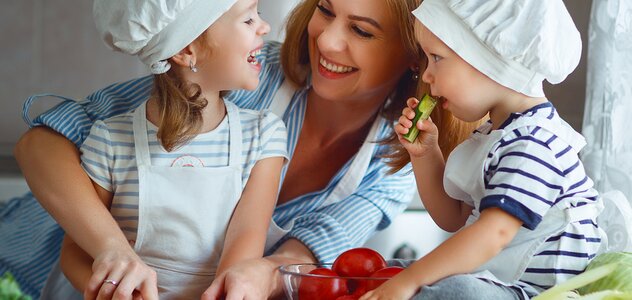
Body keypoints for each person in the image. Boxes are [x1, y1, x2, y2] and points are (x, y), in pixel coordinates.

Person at [9, 0, 477, 298]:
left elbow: (304, 252)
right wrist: (111, 250)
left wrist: (262, 273)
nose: (328, 41)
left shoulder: (395, 160)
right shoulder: (243, 71)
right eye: (326, 10)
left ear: (415, 56)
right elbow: (43, 143)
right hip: (59, 263)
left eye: (363, 31)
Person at [36, 0, 289, 299]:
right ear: (186, 51)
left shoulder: (263, 136)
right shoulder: (110, 139)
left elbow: (245, 245)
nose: (264, 26)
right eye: (247, 20)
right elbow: (75, 252)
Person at [361, 0, 608, 299]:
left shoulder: (534, 142)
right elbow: (454, 218)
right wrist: (424, 154)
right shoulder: (494, 134)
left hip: (536, 292)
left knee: (454, 290)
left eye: (436, 58)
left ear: (491, 60)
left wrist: (411, 280)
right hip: (497, 280)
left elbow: (494, 233)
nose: (426, 75)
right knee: (383, 271)